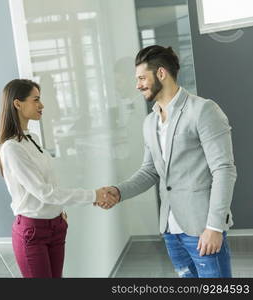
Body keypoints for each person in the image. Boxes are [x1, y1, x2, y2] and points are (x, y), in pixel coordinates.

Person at [100, 45, 237, 278]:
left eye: (142, 78)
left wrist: (214, 227)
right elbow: (150, 171)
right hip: (170, 231)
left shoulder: (203, 110)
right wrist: (117, 191)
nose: (138, 85)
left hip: (202, 229)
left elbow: (224, 170)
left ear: (161, 73)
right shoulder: (149, 122)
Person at [0, 79, 117, 278]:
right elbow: (44, 192)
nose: (41, 105)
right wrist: (94, 195)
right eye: (35, 100)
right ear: (17, 104)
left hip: (55, 226)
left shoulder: (31, 138)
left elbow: (49, 183)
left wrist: (58, 210)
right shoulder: (11, 148)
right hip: (33, 231)